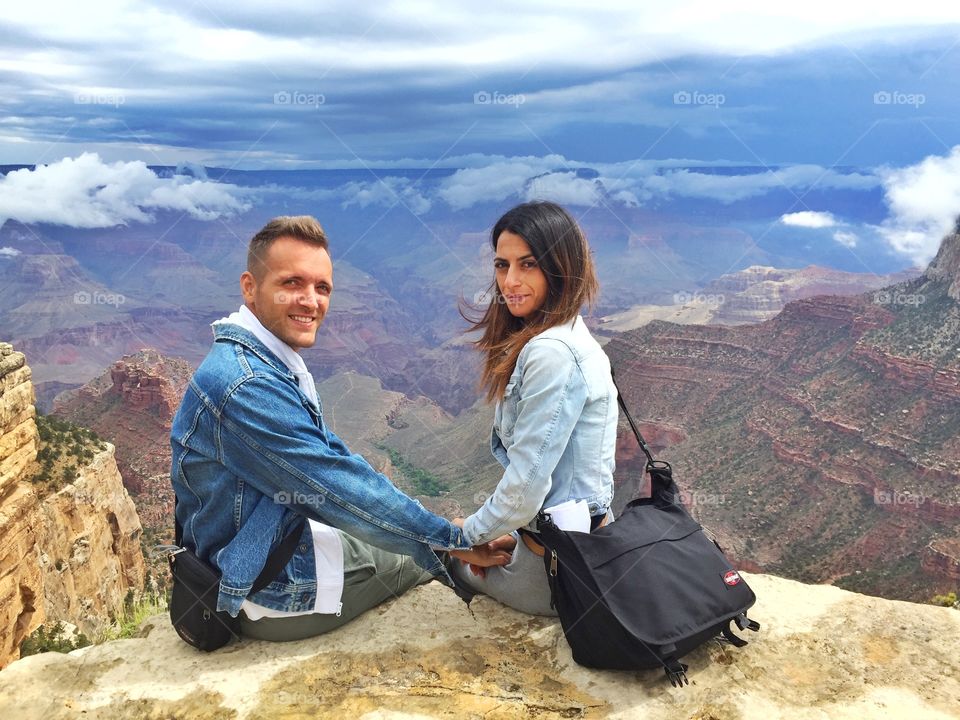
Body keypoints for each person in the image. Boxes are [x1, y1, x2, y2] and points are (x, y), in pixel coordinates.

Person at [170, 215, 508, 642]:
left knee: (410, 530)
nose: (311, 301)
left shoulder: (254, 357)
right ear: (250, 287)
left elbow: (326, 456)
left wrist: (436, 526)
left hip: (265, 545)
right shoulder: (246, 384)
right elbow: (335, 484)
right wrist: (449, 538)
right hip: (276, 589)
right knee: (427, 557)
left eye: (322, 287)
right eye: (292, 283)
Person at [451, 201, 618, 616]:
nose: (510, 281)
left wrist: (465, 538)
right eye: (501, 265)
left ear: (560, 266)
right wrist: (502, 532)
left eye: (528, 265)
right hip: (573, 544)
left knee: (437, 559)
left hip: (555, 574)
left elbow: (526, 488)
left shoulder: (552, 352)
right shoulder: (571, 333)